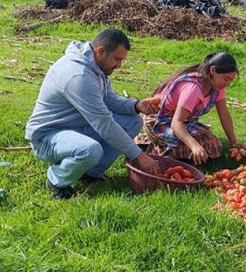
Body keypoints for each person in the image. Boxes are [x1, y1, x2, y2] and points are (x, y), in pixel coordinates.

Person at [25, 29, 159, 199]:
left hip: (76, 128)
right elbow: (104, 124)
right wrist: (138, 155)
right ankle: (57, 180)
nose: (119, 66)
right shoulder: (78, 76)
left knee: (132, 121)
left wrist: (136, 105)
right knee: (90, 150)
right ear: (101, 51)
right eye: (117, 59)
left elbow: (108, 99)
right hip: (48, 137)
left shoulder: (95, 66)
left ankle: (91, 172)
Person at [138, 52, 243, 165]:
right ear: (212, 70)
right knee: (198, 145)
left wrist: (234, 142)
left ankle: (162, 146)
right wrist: (194, 146)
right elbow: (176, 123)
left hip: (183, 121)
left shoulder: (217, 88)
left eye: (230, 80)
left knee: (212, 144)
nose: (227, 84)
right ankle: (159, 151)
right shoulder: (193, 89)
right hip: (159, 121)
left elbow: (224, 115)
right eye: (226, 79)